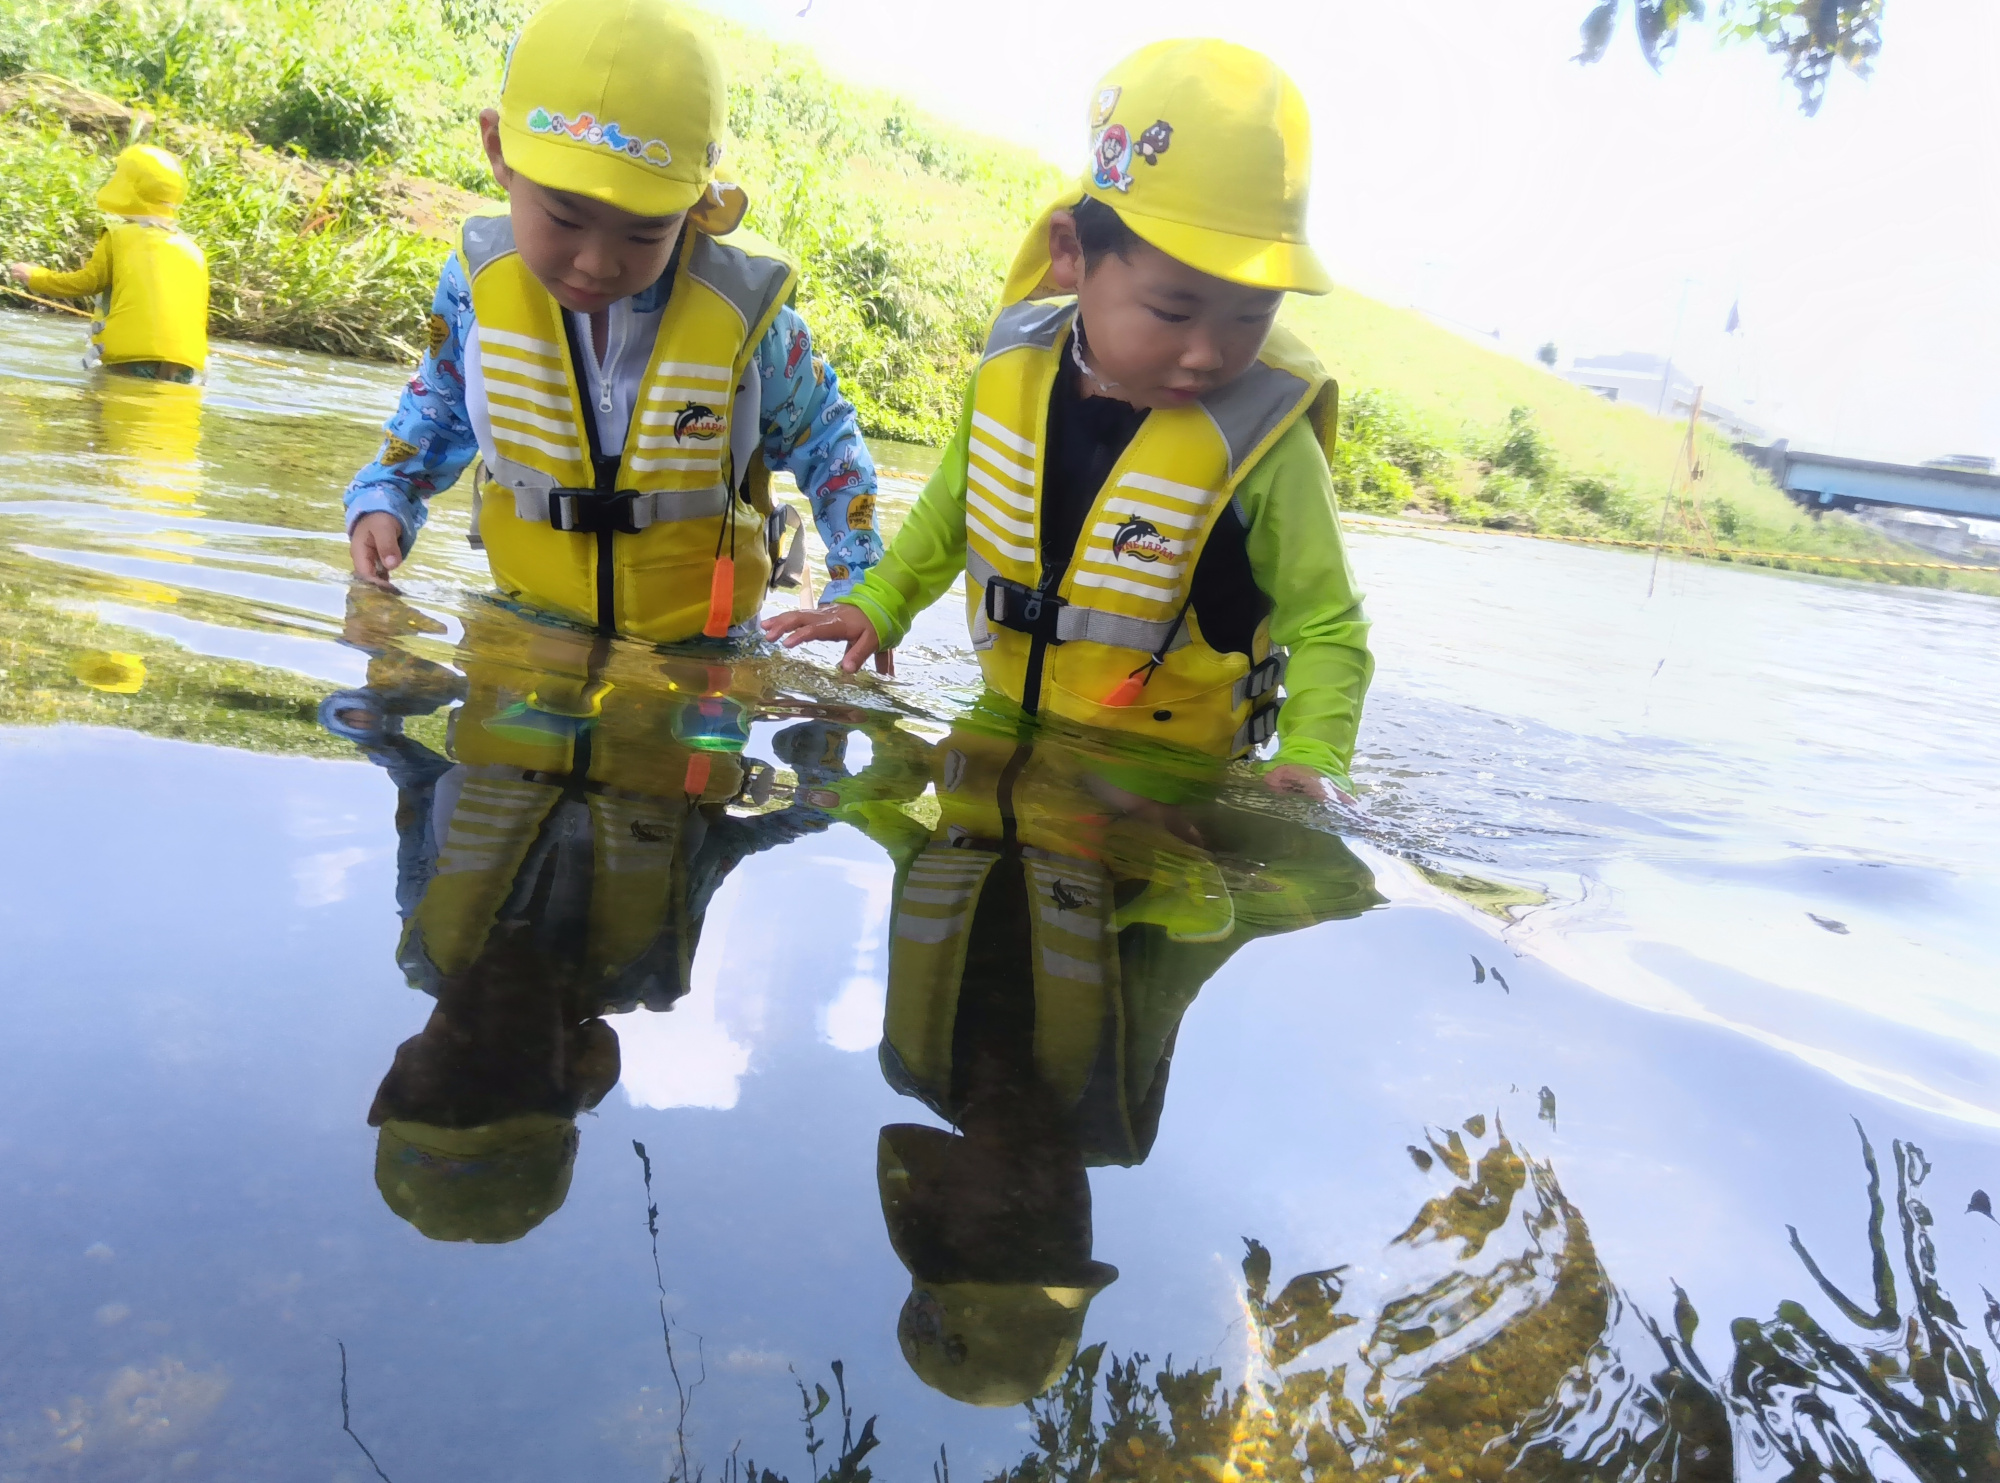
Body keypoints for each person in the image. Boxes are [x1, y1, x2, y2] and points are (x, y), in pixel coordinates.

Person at [765, 40, 1372, 799]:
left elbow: (1327, 624)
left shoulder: (1268, 445)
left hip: (1169, 796)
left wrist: (1315, 756)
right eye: (1173, 310)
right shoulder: (1012, 374)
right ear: (1071, 253)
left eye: (1253, 315)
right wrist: (879, 602)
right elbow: (954, 507)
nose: (1209, 353)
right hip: (998, 736)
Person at [342, 0, 889, 658]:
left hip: (702, 652)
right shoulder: (475, 292)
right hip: (528, 630)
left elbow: (829, 443)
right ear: (499, 152)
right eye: (565, 219)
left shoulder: (749, 326)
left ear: (695, 207)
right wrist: (386, 497)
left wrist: (860, 580)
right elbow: (434, 412)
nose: (598, 262)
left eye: (644, 230)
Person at [9, 144, 209, 383]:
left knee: (104, 414)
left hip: (131, 357)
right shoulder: (194, 251)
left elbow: (86, 283)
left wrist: (36, 277)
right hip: (184, 363)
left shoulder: (118, 238)